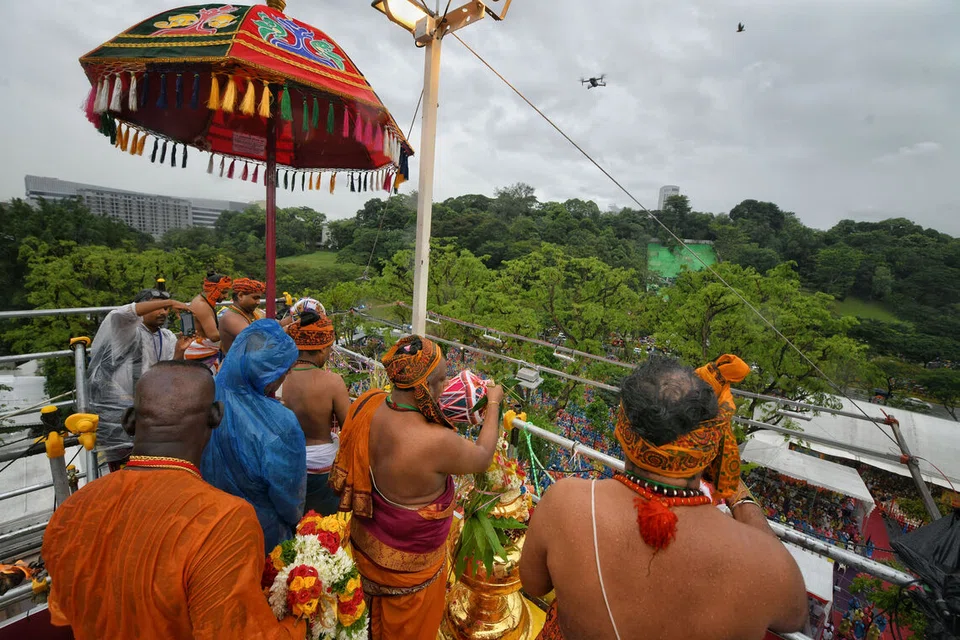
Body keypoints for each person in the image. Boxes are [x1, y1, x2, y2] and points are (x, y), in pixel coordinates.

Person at [520, 356, 807, 640]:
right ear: (711, 448)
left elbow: (533, 584)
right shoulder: (763, 561)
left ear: (623, 430)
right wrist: (738, 493)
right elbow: (794, 616)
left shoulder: (565, 502)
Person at [42, 361, 306, 640]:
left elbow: (65, 613)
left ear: (129, 420)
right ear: (216, 416)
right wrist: (301, 617)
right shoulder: (223, 520)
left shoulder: (72, 510)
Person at [331, 335, 504, 640]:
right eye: (441, 380)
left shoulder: (367, 403)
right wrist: (493, 403)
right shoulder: (436, 441)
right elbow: (481, 457)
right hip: (410, 577)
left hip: (363, 550)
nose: (445, 386)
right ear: (422, 386)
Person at [201, 320, 305, 552]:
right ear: (267, 374)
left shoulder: (204, 397)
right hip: (260, 533)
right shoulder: (280, 423)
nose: (285, 377)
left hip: (210, 527)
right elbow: (289, 499)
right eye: (283, 371)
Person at [87, 287, 192, 471]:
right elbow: (121, 313)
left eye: (165, 308)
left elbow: (169, 372)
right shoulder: (125, 330)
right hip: (122, 412)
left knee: (154, 465)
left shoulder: (167, 336)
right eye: (156, 306)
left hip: (154, 409)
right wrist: (169, 302)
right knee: (125, 469)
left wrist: (179, 352)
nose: (163, 312)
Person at [282, 314, 350, 516]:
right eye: (329, 348)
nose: (329, 354)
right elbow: (350, 428)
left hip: (286, 463)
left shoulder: (278, 378)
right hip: (323, 469)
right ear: (321, 348)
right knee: (322, 525)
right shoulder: (333, 382)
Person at [184, 272, 232, 374]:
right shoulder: (202, 305)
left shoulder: (204, 302)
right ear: (213, 290)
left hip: (205, 354)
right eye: (223, 292)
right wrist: (234, 331)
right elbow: (213, 336)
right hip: (199, 356)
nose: (226, 296)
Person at [219, 277, 266, 355]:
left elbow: (277, 325)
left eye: (259, 298)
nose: (258, 302)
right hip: (237, 362)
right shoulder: (230, 318)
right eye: (255, 298)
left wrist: (289, 320)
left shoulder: (253, 313)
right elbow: (256, 340)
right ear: (240, 296)